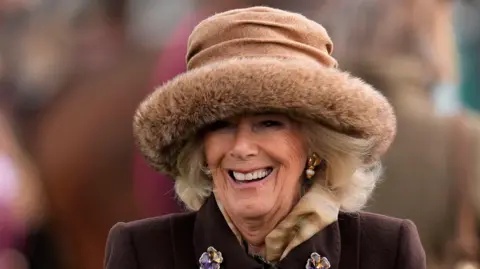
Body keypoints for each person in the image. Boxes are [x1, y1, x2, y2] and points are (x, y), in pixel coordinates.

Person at [104, 6, 426, 269]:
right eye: (220, 125)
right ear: (201, 150)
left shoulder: (387, 252)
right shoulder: (142, 254)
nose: (242, 148)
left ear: (316, 144)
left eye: (269, 123)